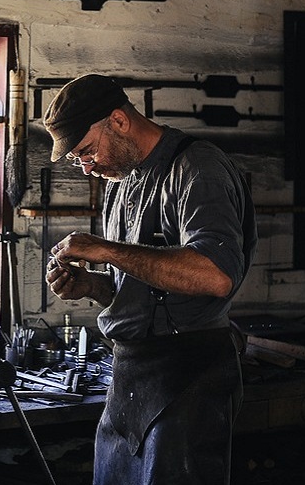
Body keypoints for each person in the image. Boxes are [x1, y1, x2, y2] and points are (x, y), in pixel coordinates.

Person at [43, 74, 257, 484]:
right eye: (77, 161)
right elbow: (143, 290)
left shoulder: (197, 168)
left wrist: (105, 249)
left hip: (188, 375)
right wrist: (93, 286)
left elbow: (215, 276)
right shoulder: (124, 183)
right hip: (131, 376)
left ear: (119, 122)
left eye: (87, 151)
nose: (88, 167)